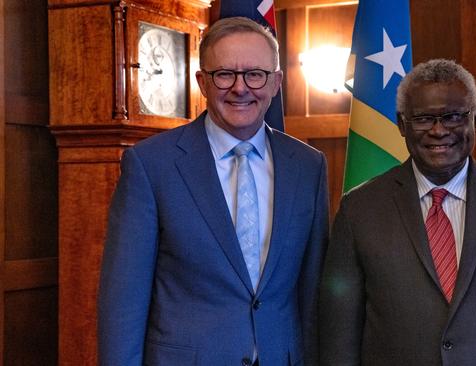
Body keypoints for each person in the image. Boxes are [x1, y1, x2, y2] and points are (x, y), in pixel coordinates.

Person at [98, 17, 329, 366]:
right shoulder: (151, 165)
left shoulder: (308, 166)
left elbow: (312, 293)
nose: (240, 88)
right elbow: (123, 303)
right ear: (202, 82)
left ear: (276, 82)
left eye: (255, 74)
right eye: (224, 74)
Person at [319, 59, 476, 365]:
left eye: (453, 116)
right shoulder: (359, 210)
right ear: (402, 125)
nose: (439, 131)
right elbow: (338, 340)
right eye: (423, 118)